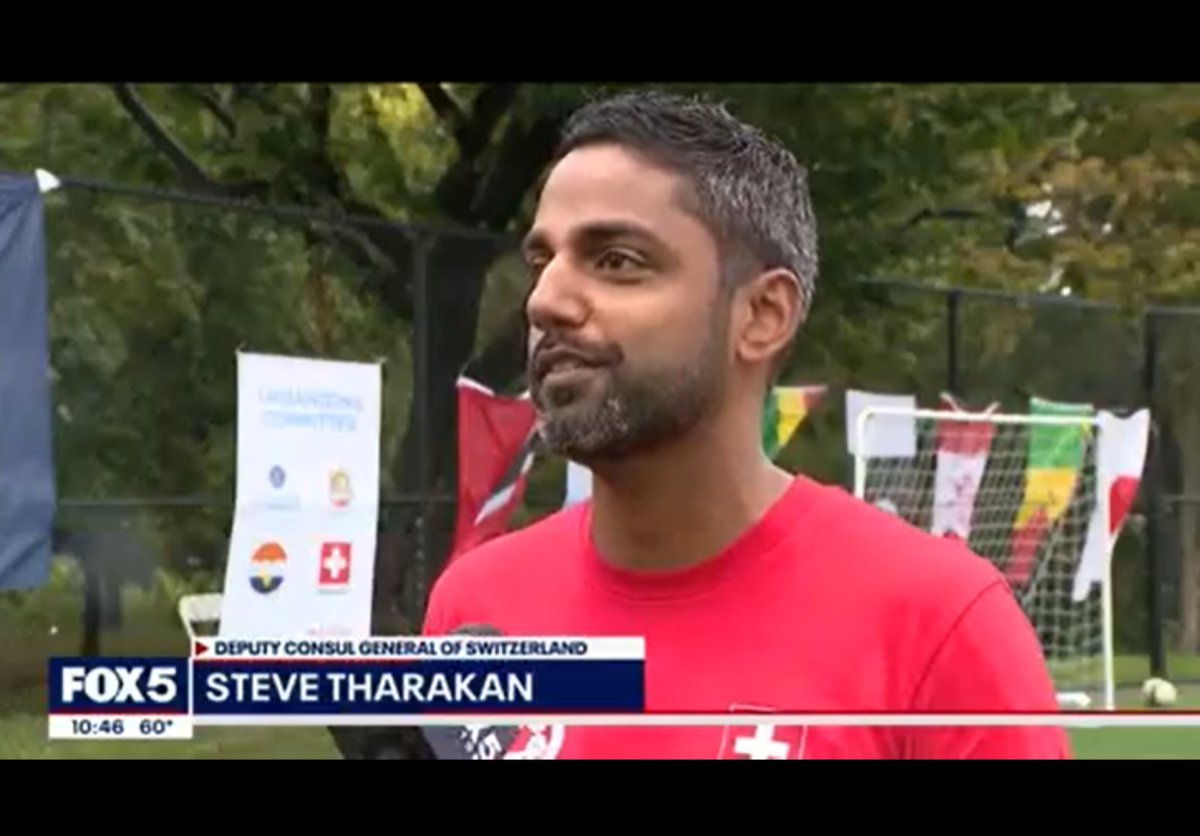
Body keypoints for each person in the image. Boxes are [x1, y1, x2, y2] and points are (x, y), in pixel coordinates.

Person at [421, 89, 1070, 760]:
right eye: (540, 261)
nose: (546, 300)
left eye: (616, 260)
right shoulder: (472, 610)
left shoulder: (939, 625)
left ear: (762, 315)